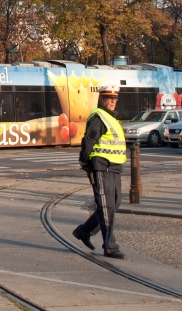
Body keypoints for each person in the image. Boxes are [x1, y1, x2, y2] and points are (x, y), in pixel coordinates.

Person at [73, 85, 127, 259]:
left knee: (115, 203)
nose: (112, 101)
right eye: (108, 98)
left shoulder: (111, 118)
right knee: (106, 206)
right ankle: (110, 246)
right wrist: (85, 161)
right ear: (101, 99)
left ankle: (84, 231)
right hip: (101, 166)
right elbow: (89, 140)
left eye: (115, 98)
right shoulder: (99, 117)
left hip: (115, 167)